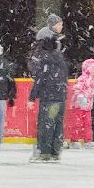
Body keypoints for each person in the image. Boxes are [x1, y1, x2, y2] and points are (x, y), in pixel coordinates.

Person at [29, 27, 68, 162]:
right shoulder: (61, 61)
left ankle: (45, 152)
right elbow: (64, 79)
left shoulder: (45, 61)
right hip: (60, 98)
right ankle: (55, 151)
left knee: (46, 124)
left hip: (49, 98)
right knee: (57, 125)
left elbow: (39, 79)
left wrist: (32, 97)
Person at [66, 58, 94, 146]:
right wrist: (82, 99)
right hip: (79, 106)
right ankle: (74, 140)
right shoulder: (83, 78)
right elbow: (76, 89)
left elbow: (90, 92)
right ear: (88, 69)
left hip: (87, 106)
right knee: (77, 123)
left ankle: (88, 140)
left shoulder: (92, 80)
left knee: (87, 123)